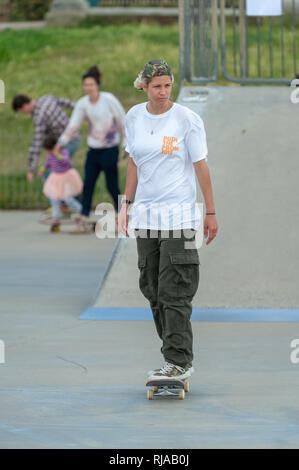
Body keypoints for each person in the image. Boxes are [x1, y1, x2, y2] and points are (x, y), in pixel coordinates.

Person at [118, 59, 218, 381]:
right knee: (152, 288)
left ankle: (177, 360)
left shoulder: (187, 120)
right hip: (147, 217)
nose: (163, 92)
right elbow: (133, 163)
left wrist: (211, 212)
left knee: (175, 291)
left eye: (167, 86)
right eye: (157, 86)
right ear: (145, 86)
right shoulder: (134, 116)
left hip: (181, 217)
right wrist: (125, 205)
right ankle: (175, 357)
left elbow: (201, 166)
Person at [56, 65, 126, 234]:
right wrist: (60, 143)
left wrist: (126, 144)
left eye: (91, 84)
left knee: (112, 185)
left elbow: (122, 121)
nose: (88, 88)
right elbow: (73, 126)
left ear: (97, 85)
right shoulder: (82, 103)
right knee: (88, 184)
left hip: (110, 148)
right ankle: (84, 215)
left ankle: (122, 215)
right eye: (85, 85)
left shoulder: (108, 99)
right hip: (94, 149)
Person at [12, 94, 81, 183]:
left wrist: (31, 169)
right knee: (59, 172)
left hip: (65, 144)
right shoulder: (47, 98)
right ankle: (74, 193)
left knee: (50, 175)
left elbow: (37, 142)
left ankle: (68, 196)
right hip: (73, 137)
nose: (24, 113)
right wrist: (84, 110)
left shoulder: (39, 116)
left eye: (21, 111)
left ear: (24, 106)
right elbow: (68, 103)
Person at [38, 135, 83, 233]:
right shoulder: (49, 156)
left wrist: (57, 154)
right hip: (56, 179)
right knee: (54, 198)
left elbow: (65, 161)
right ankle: (56, 217)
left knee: (68, 198)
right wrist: (42, 170)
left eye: (48, 150)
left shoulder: (64, 152)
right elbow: (47, 164)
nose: (48, 153)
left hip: (67, 178)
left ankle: (79, 210)